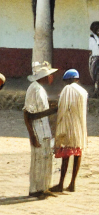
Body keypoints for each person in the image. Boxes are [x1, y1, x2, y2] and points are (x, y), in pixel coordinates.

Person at [22, 61, 58, 199]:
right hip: (38, 130)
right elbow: (29, 114)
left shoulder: (39, 89)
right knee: (38, 160)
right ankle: (36, 189)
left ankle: (43, 187)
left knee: (45, 159)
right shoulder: (35, 89)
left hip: (44, 130)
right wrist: (52, 110)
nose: (51, 78)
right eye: (49, 76)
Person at [52, 69, 88, 193]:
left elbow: (63, 108)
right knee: (78, 154)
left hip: (68, 126)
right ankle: (72, 183)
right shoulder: (83, 91)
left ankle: (61, 184)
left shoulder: (67, 90)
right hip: (80, 127)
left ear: (68, 80)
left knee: (66, 156)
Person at [89, 21, 99, 87]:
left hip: (95, 58)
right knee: (95, 75)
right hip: (95, 58)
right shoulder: (92, 37)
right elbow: (91, 50)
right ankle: (96, 90)